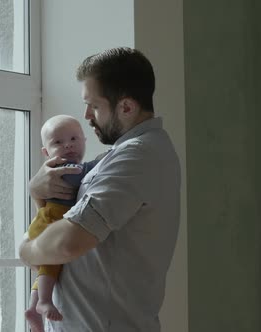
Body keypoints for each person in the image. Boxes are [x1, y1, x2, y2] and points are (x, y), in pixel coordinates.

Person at [19, 47, 181, 332]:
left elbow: (67, 243)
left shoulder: (137, 157)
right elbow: (60, 223)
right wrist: (37, 192)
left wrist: (26, 250)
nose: (86, 115)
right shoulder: (115, 158)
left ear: (126, 107)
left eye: (93, 106)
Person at [24, 114, 99, 332]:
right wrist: (101, 161)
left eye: (74, 139)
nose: (68, 145)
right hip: (49, 220)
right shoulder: (62, 167)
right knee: (51, 263)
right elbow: (78, 175)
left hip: (48, 219)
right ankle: (43, 301)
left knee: (48, 267)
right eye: (58, 142)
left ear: (84, 140)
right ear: (46, 152)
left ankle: (33, 306)